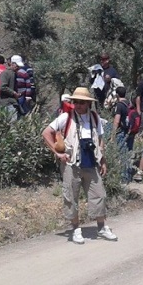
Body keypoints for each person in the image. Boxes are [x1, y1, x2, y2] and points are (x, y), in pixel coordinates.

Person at [41, 87, 118, 244]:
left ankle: (101, 227)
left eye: (82, 102)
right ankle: (76, 229)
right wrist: (57, 153)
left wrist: (103, 160)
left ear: (88, 104)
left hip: (91, 162)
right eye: (75, 102)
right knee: (71, 197)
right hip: (72, 164)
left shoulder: (95, 118)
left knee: (99, 195)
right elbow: (46, 132)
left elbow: (100, 139)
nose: (78, 105)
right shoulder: (65, 117)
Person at [110, 86, 134, 182]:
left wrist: (112, 135)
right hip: (131, 131)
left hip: (122, 132)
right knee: (128, 153)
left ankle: (123, 177)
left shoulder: (119, 105)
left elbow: (116, 121)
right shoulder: (130, 104)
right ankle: (128, 175)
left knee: (121, 153)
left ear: (117, 94)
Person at [0, 56, 21, 122]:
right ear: (12, 64)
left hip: (11, 102)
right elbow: (2, 87)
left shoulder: (13, 73)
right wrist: (14, 93)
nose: (19, 67)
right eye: (17, 65)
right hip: (6, 103)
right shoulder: (5, 73)